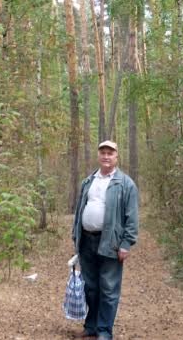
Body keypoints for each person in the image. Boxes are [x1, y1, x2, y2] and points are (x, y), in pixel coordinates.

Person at [71, 140, 139, 340]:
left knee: (108, 289)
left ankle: (104, 331)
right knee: (90, 287)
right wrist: (76, 235)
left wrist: (126, 243)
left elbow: (132, 217)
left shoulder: (125, 184)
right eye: (103, 153)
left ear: (117, 157)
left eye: (110, 153)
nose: (106, 156)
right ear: (99, 156)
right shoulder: (88, 181)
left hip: (111, 242)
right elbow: (79, 210)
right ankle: (91, 326)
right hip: (87, 241)